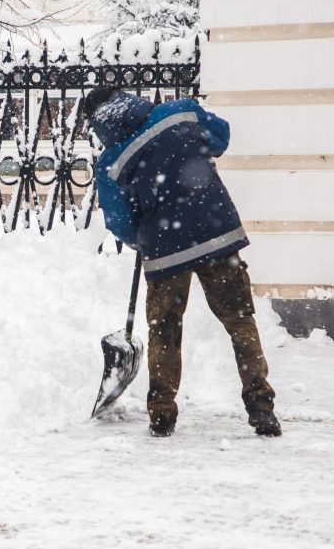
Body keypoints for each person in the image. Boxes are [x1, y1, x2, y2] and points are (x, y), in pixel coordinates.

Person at [84, 86, 281, 438]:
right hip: (218, 235)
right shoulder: (181, 113)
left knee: (165, 330)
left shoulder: (111, 162)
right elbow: (220, 137)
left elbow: (119, 222)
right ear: (128, 98)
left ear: (97, 122)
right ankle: (262, 407)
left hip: (164, 252)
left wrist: (142, 238)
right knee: (240, 321)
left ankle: (162, 415)